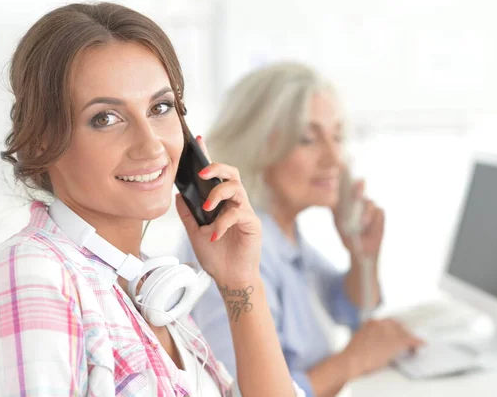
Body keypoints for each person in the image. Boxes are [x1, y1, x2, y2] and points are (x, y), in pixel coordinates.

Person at [0, 4, 304, 396]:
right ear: (44, 139)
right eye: (106, 118)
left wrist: (241, 281)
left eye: (159, 108)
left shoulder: (150, 293)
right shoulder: (33, 275)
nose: (151, 146)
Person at [179, 62, 424, 397]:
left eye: (337, 137)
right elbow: (237, 389)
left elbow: (349, 309)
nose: (335, 157)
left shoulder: (285, 234)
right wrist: (352, 360)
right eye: (309, 139)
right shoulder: (235, 241)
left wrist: (362, 257)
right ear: (258, 148)